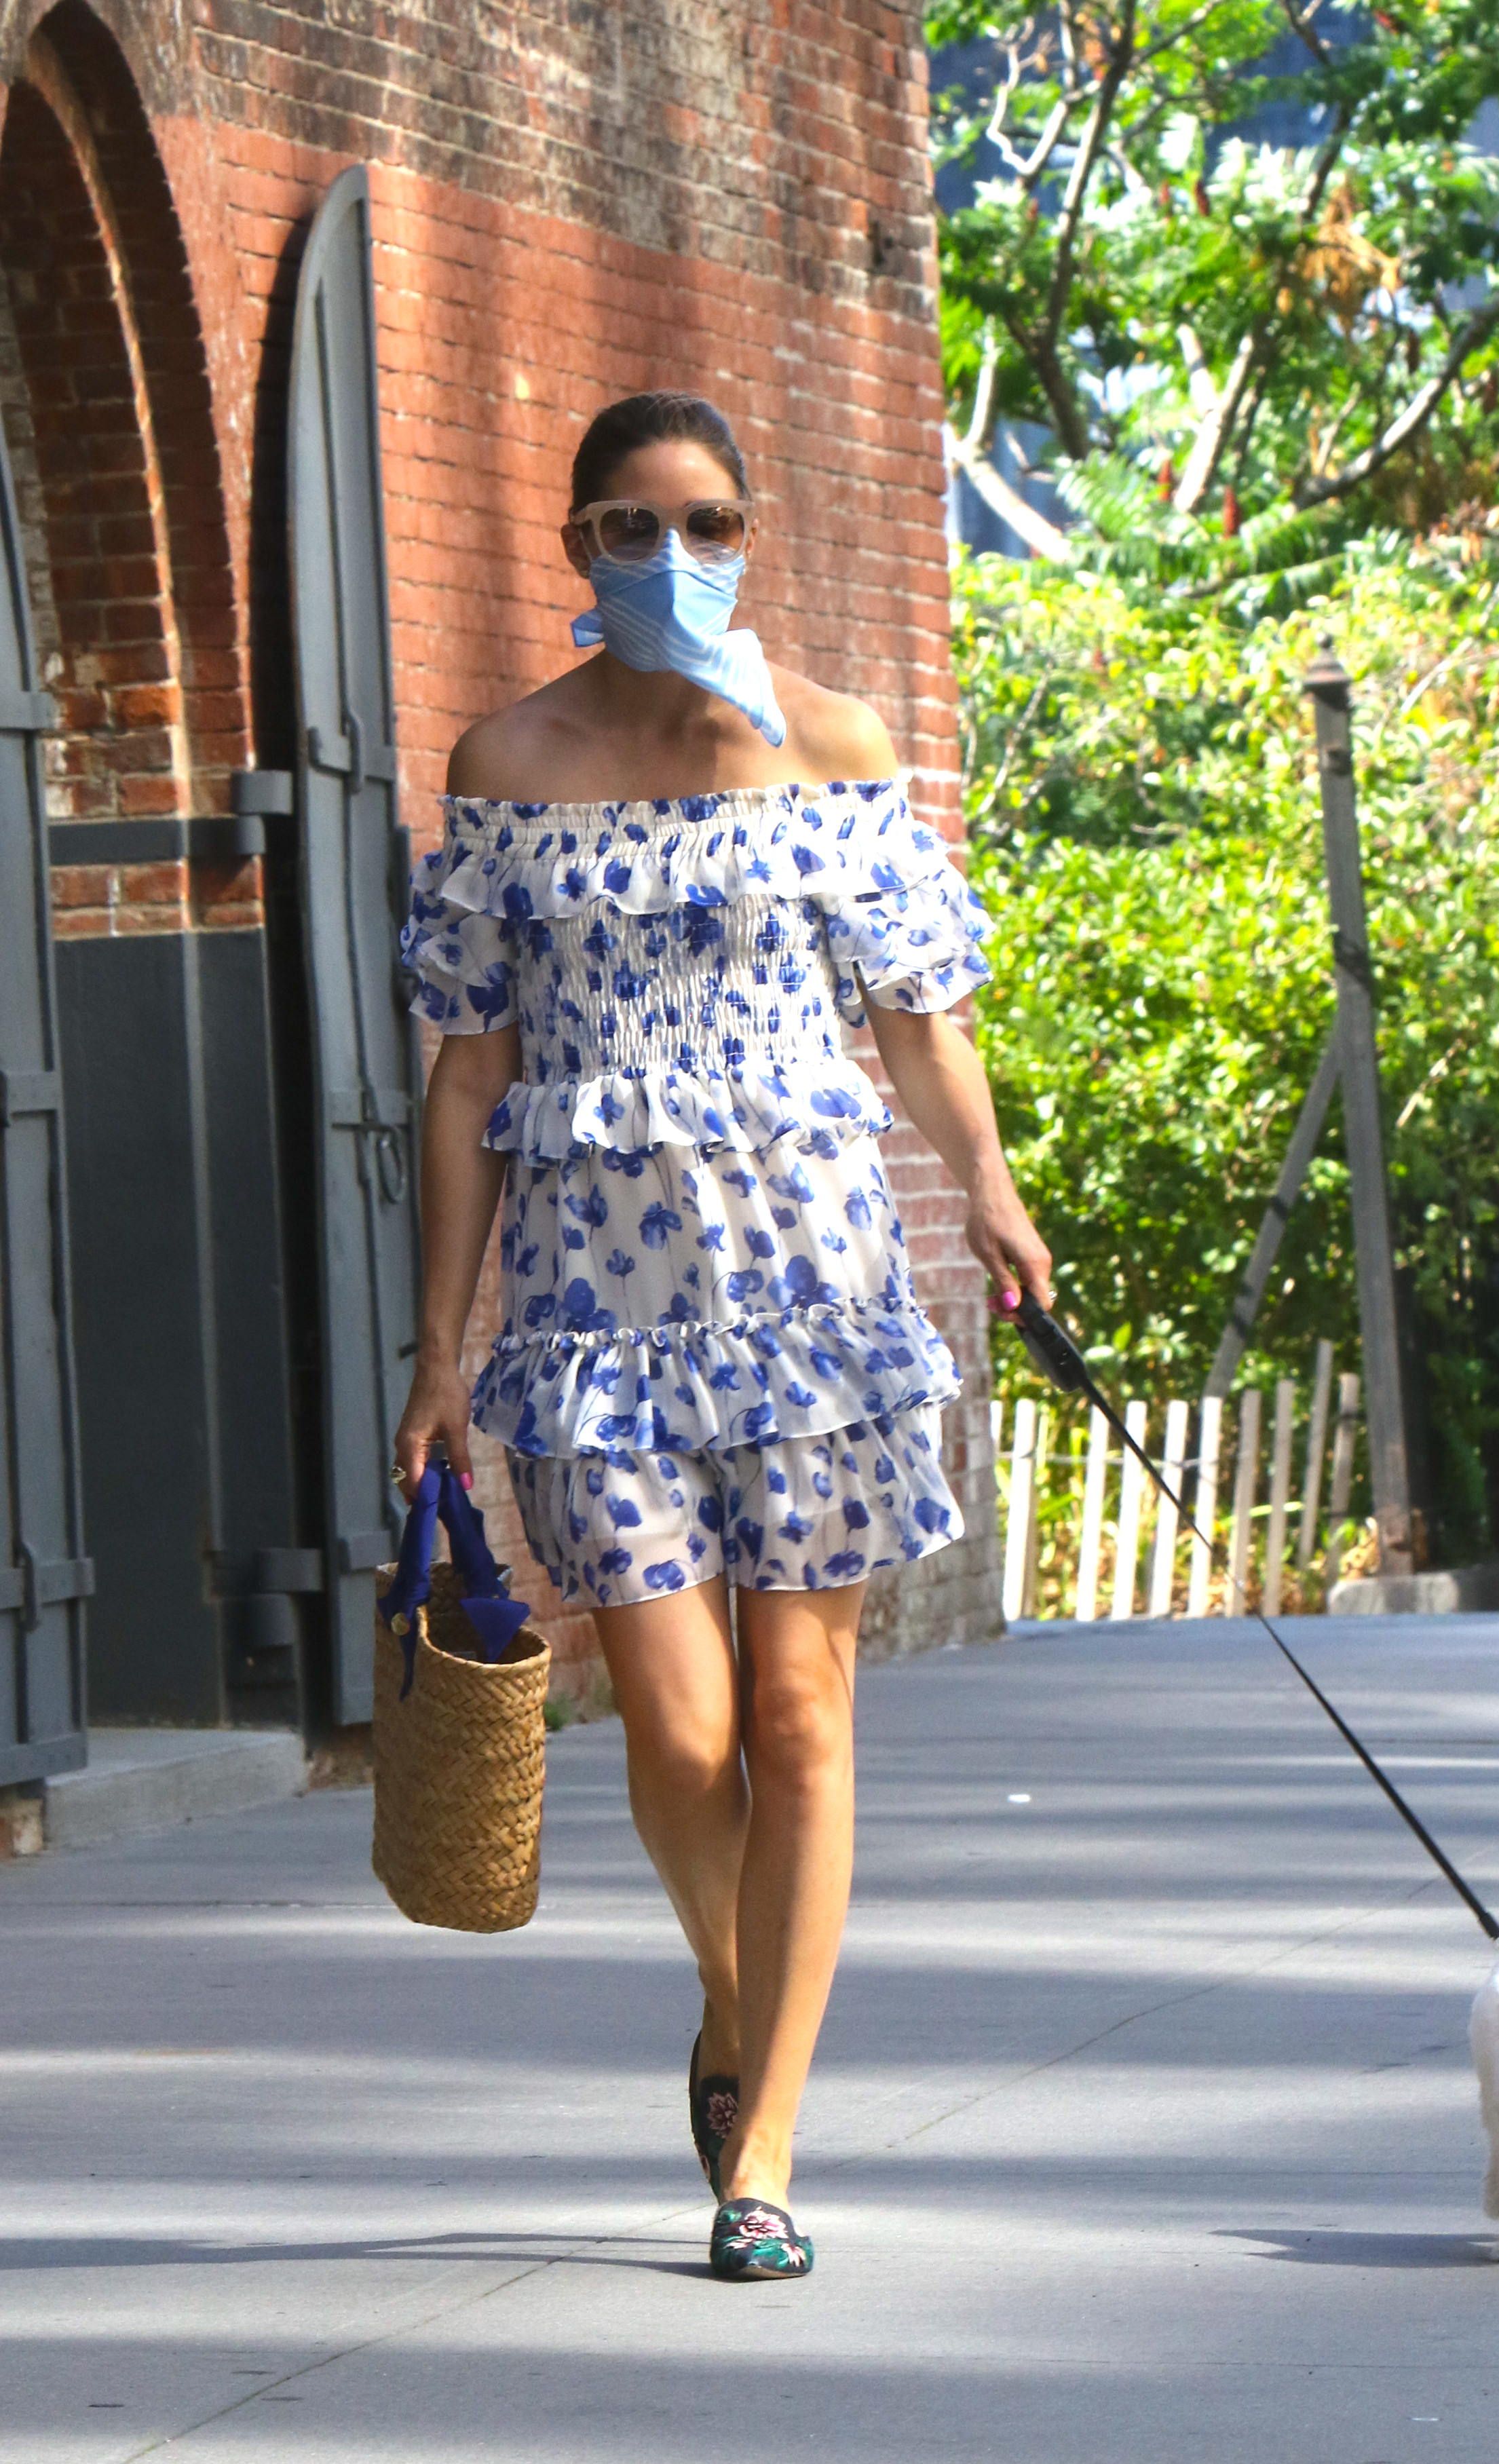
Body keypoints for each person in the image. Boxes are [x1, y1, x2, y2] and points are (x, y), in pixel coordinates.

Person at [392, 391, 1052, 2281]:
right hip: (595, 1321)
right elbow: (465, 1081)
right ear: (575, 550)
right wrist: (442, 1343)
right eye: (622, 526)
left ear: (747, 535)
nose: (663, 559)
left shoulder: (834, 749)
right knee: (678, 1738)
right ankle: (732, 1987)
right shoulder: (506, 761)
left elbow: (919, 1014)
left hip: (817, 1307)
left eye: (699, 523)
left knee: (796, 1716)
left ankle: (762, 2150)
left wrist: (990, 1195)